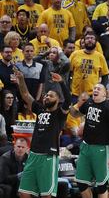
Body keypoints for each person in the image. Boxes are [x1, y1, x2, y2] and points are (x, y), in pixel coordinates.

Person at [16, 70, 71, 198]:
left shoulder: (60, 113)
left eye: (51, 96)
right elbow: (25, 94)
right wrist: (21, 79)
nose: (46, 97)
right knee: (23, 192)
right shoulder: (40, 109)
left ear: (58, 100)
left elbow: (68, 100)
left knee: (46, 195)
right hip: (33, 155)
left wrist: (62, 82)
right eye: (46, 95)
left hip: (48, 156)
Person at [70, 83, 109, 198]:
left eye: (99, 89)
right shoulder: (88, 103)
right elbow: (75, 114)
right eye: (94, 88)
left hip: (101, 150)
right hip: (86, 147)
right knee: (81, 183)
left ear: (104, 94)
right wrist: (78, 102)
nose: (96, 90)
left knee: (101, 186)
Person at [70, 32, 109, 100]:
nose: (90, 40)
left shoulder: (100, 56)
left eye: (92, 38)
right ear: (83, 41)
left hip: (92, 94)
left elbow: (105, 76)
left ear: (96, 42)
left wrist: (100, 89)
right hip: (75, 93)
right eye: (87, 38)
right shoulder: (75, 54)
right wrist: (68, 87)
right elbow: (68, 72)